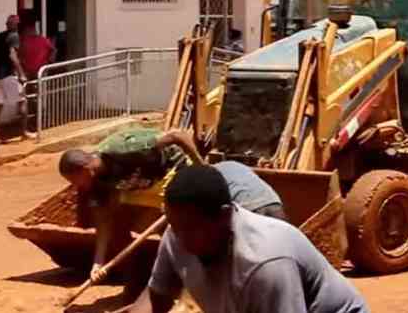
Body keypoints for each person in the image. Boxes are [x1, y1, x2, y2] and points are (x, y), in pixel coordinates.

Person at [59, 128, 287, 287]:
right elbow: (104, 221)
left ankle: (190, 277)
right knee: (121, 220)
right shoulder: (96, 183)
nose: (75, 186)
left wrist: (201, 167)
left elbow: (177, 135)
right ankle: (137, 278)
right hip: (143, 187)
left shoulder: (121, 150)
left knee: (181, 228)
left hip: (172, 171)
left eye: (73, 180)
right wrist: (98, 263)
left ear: (84, 170)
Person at [130, 165, 368, 313]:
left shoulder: (266, 263)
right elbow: (155, 299)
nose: (180, 239)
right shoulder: (178, 236)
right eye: (174, 225)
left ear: (224, 216)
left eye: (190, 229)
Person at [0, 15, 30, 142]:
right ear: (15, 25)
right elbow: (12, 55)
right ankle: (24, 132)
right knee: (22, 101)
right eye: (16, 24)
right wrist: (21, 74)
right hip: (8, 76)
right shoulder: (14, 36)